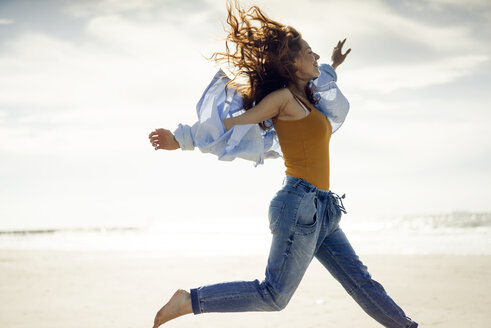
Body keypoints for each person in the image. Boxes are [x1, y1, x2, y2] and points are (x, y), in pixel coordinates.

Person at [147, 1, 418, 327]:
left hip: (323, 209)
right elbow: (230, 124)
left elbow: (322, 77)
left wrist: (333, 63)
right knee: (273, 295)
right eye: (309, 52)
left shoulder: (309, 100)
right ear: (292, 63)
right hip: (299, 205)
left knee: (361, 282)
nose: (315, 57)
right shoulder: (283, 100)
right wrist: (181, 140)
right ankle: (190, 300)